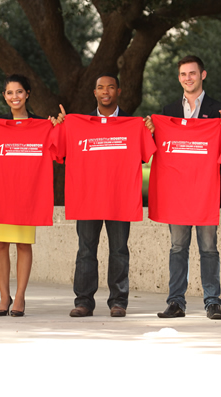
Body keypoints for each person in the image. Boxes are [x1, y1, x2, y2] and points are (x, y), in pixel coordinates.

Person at [147, 55, 221, 320]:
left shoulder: (219, 111)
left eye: (192, 73)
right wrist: (151, 130)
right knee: (177, 248)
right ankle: (176, 302)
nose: (188, 78)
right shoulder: (168, 111)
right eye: (183, 74)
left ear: (202, 75)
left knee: (209, 248)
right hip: (177, 194)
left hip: (205, 192)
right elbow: (157, 147)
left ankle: (212, 302)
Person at [0, 74, 56, 317]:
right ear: (4, 97)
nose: (14, 97)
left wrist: (57, 125)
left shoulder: (43, 125)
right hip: (0, 194)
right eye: (9, 93)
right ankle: (3, 297)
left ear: (27, 94)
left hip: (27, 196)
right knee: (0, 245)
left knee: (23, 244)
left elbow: (59, 146)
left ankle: (19, 297)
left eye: (19, 92)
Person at [69, 74, 134, 318]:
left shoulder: (132, 123)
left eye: (110, 87)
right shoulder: (79, 123)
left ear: (119, 90)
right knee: (86, 250)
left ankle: (119, 302)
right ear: (94, 93)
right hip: (87, 197)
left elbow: (145, 155)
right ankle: (83, 302)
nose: (105, 91)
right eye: (99, 87)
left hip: (120, 197)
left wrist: (147, 129)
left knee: (119, 250)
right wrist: (62, 125)